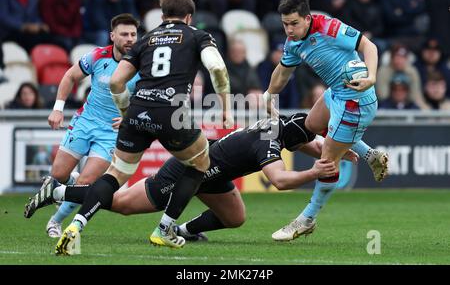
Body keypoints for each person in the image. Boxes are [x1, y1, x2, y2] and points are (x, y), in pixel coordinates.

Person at [48, 0, 232, 254]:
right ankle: (165, 229)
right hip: (170, 113)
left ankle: (77, 225)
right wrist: (226, 109)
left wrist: (126, 112)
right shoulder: (197, 35)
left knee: (115, 174)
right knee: (200, 163)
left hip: (137, 112)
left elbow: (115, 82)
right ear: (190, 17)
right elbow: (217, 68)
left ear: (162, 17)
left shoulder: (146, 39)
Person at [25, 113, 358, 241]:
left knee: (236, 217)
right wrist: (315, 172)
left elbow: (309, 143)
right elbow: (280, 181)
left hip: (214, 172)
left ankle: (184, 230)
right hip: (190, 168)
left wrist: (335, 151)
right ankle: (58, 193)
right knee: (124, 204)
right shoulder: (268, 142)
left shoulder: (283, 124)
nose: (312, 144)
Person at [263, 0, 388, 241]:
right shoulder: (293, 42)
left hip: (355, 101)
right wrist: (268, 94)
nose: (289, 29)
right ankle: (369, 154)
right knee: (311, 125)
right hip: (337, 94)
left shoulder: (330, 27)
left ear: (308, 19)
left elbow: (369, 46)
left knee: (327, 160)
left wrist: (372, 77)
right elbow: (283, 72)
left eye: (294, 23)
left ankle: (307, 219)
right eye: (285, 24)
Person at [24, 13, 141, 240]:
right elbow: (69, 76)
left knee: (86, 183)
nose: (130, 39)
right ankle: (71, 181)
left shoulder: (142, 64)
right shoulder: (98, 56)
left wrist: (130, 117)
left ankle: (55, 222)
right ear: (112, 36)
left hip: (112, 131)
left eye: (133, 34)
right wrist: (58, 108)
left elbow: (148, 96)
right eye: (124, 34)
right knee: (59, 174)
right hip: (85, 122)